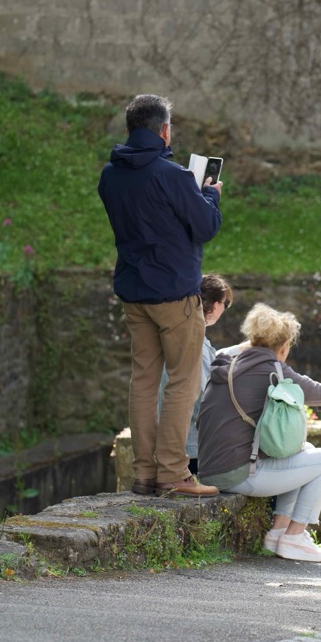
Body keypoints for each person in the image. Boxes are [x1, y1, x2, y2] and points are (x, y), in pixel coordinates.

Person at [98, 93, 223, 498]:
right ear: (164, 131)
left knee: (144, 381)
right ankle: (173, 473)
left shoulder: (110, 175)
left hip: (134, 293)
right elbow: (205, 226)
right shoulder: (172, 175)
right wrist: (210, 194)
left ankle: (144, 474)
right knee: (183, 381)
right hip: (174, 295)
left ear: (130, 129)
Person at [196, 303, 321, 563]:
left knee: (306, 451)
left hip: (209, 470)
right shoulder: (272, 369)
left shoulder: (228, 363)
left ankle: (278, 532)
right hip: (237, 475)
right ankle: (294, 538)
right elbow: (316, 392)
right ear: (284, 347)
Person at [159, 274, 233, 476]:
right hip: (192, 447)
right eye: (225, 304)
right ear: (215, 305)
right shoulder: (195, 343)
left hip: (172, 443)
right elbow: (203, 397)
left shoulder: (178, 333)